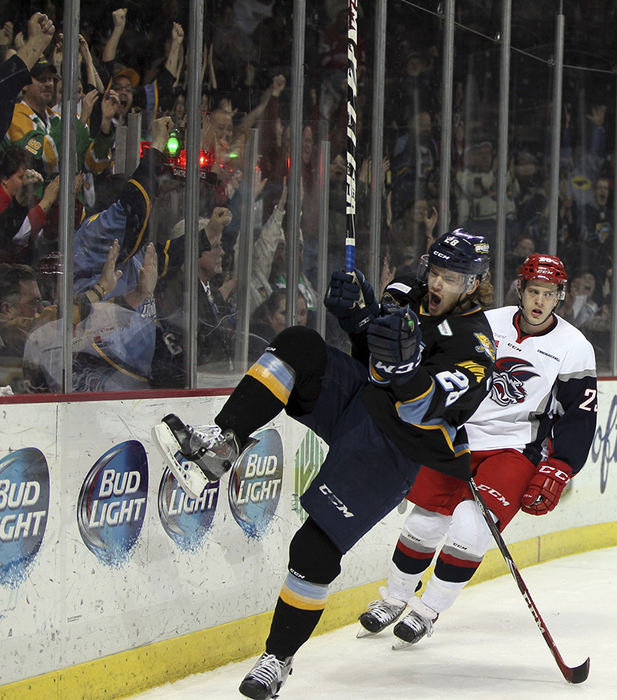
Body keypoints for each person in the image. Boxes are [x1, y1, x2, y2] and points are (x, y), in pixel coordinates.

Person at [153, 228, 496, 699]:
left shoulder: (475, 344)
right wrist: (356, 315)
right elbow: (370, 348)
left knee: (312, 549)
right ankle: (221, 446)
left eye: (452, 278)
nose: (437, 284)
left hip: (394, 444)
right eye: (434, 271)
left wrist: (407, 373)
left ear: (474, 283)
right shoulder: (409, 291)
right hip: (357, 396)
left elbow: (430, 409)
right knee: (300, 343)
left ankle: (277, 659)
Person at [356, 253, 597, 649]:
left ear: (560, 297)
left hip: (515, 450)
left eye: (549, 294)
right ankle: (395, 598)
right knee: (424, 522)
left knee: (470, 528)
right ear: (520, 289)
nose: (540, 301)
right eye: (534, 291)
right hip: (457, 435)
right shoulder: (489, 320)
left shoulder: (574, 346)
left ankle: (427, 610)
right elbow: (437, 342)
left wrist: (560, 466)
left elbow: (579, 415)